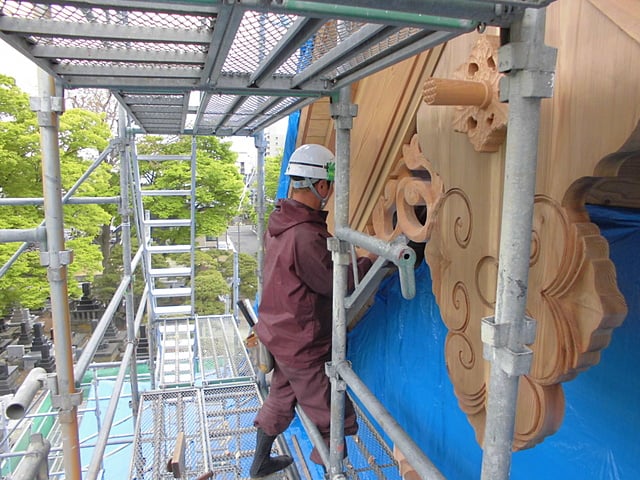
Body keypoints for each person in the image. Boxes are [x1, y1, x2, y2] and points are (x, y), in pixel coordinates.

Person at [249, 144, 374, 478]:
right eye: (330, 187)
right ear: (321, 186)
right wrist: (373, 261)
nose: (331, 193)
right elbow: (337, 281)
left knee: (281, 395)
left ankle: (259, 463)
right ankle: (330, 472)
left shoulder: (282, 223)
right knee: (334, 418)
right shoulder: (305, 236)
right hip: (302, 341)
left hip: (281, 333)